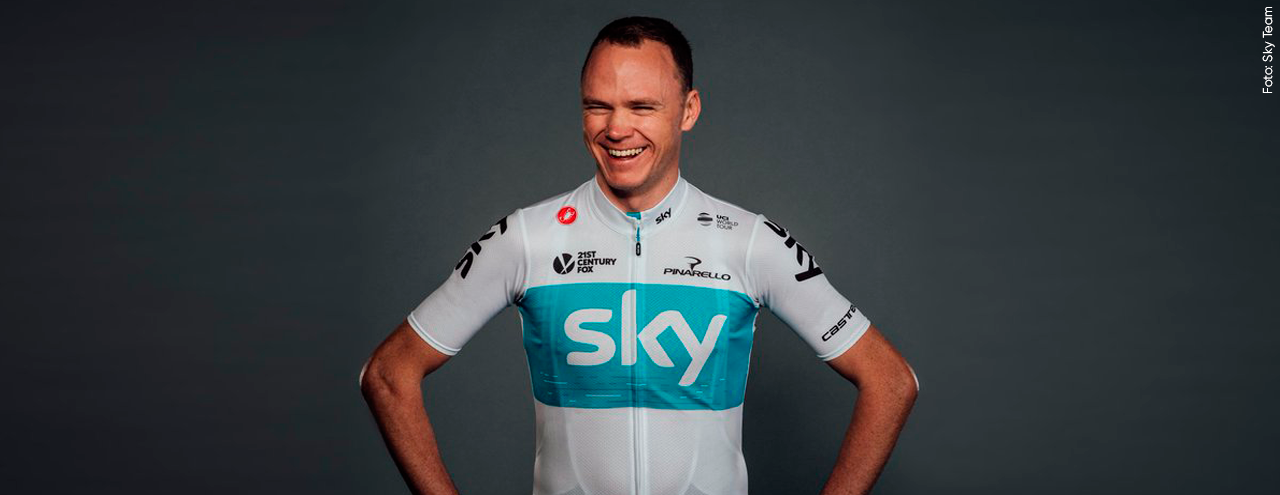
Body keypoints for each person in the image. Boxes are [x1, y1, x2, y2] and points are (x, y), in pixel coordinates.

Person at [360, 16, 919, 495]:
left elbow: (891, 381)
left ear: (688, 110)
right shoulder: (526, 237)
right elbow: (387, 374)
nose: (616, 127)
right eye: (597, 106)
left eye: (642, 106)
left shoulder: (748, 240)